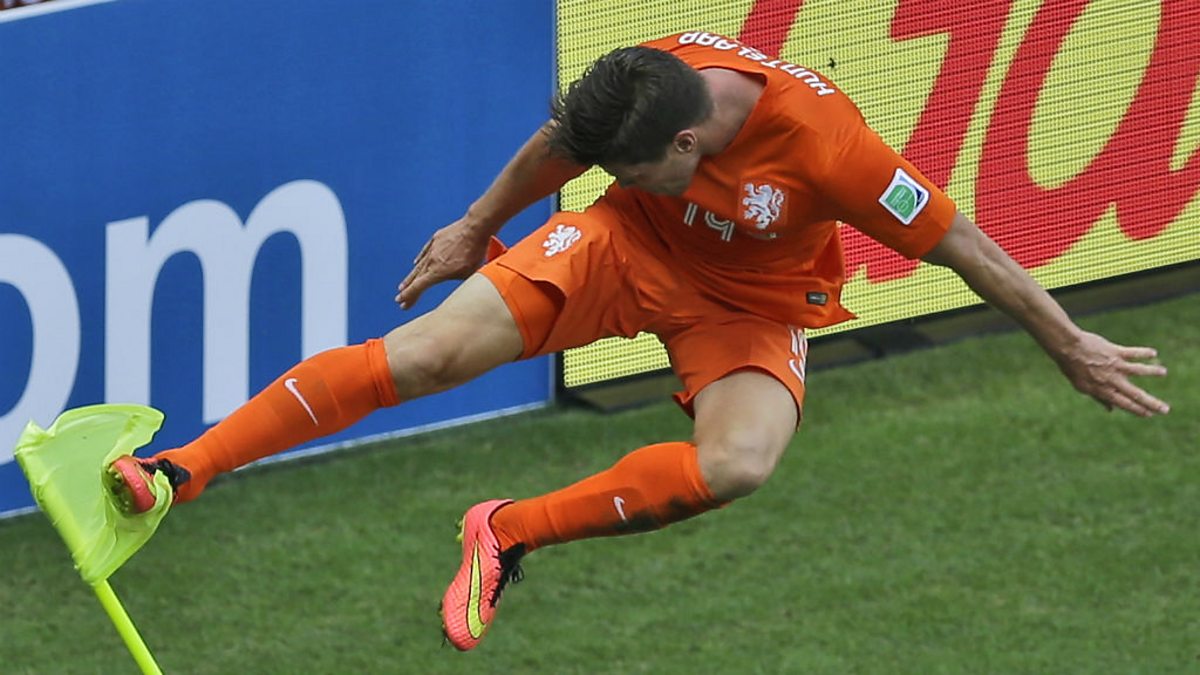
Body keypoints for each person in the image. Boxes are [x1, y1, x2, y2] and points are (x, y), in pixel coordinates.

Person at [107, 31, 1171, 651]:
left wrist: (1068, 344)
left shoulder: (831, 149)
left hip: (754, 300)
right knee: (426, 354)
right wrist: (477, 226)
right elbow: (562, 146)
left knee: (739, 464)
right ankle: (180, 470)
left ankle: (507, 532)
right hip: (624, 250)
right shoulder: (645, 93)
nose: (613, 172)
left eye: (632, 166)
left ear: (690, 140)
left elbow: (966, 245)